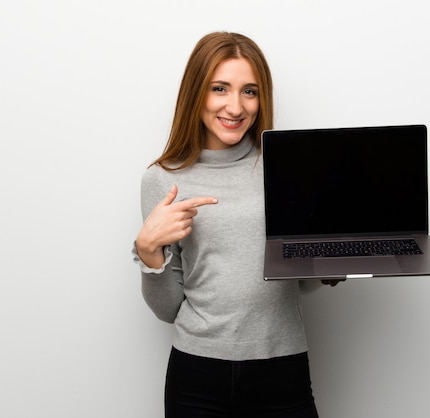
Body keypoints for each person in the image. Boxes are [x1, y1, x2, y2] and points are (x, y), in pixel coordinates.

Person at [132, 32, 337, 417]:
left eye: (249, 91)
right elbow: (167, 309)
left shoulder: (285, 170)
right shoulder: (161, 180)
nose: (235, 106)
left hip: (283, 365)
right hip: (197, 373)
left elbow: (303, 284)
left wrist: (331, 263)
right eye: (220, 88)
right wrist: (148, 252)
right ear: (197, 93)